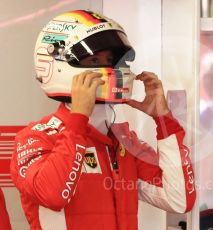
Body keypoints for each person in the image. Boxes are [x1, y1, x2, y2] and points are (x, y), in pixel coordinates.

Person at [10, 10, 196, 229]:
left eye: (111, 60)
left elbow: (179, 200)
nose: (109, 68)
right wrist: (79, 120)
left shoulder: (123, 141)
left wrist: (164, 121)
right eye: (95, 60)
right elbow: (53, 195)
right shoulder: (35, 138)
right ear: (58, 63)